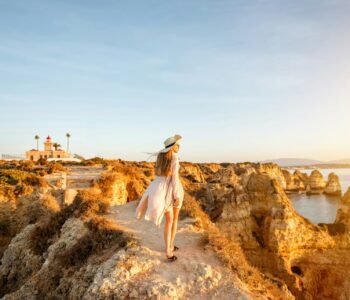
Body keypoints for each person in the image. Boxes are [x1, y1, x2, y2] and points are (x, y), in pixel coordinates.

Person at [135, 134, 184, 262]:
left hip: (155, 187)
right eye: (177, 144)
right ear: (173, 147)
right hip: (166, 190)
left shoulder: (160, 157)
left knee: (168, 220)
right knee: (170, 220)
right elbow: (175, 179)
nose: (179, 146)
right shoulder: (174, 158)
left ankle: (169, 247)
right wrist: (177, 195)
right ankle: (168, 251)